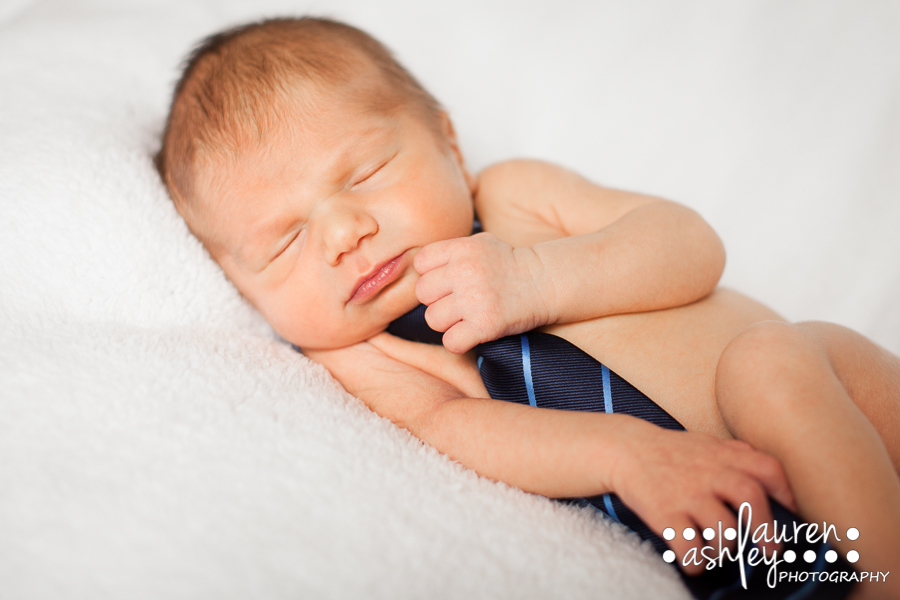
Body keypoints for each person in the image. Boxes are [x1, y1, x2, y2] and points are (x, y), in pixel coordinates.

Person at [155, 17, 900, 599]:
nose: (344, 234)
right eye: (284, 244)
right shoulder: (361, 354)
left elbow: (691, 244)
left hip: (850, 410)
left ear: (448, 142)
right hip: (751, 534)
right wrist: (623, 452)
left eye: (368, 172)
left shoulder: (513, 196)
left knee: (770, 359)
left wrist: (537, 278)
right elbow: (453, 425)